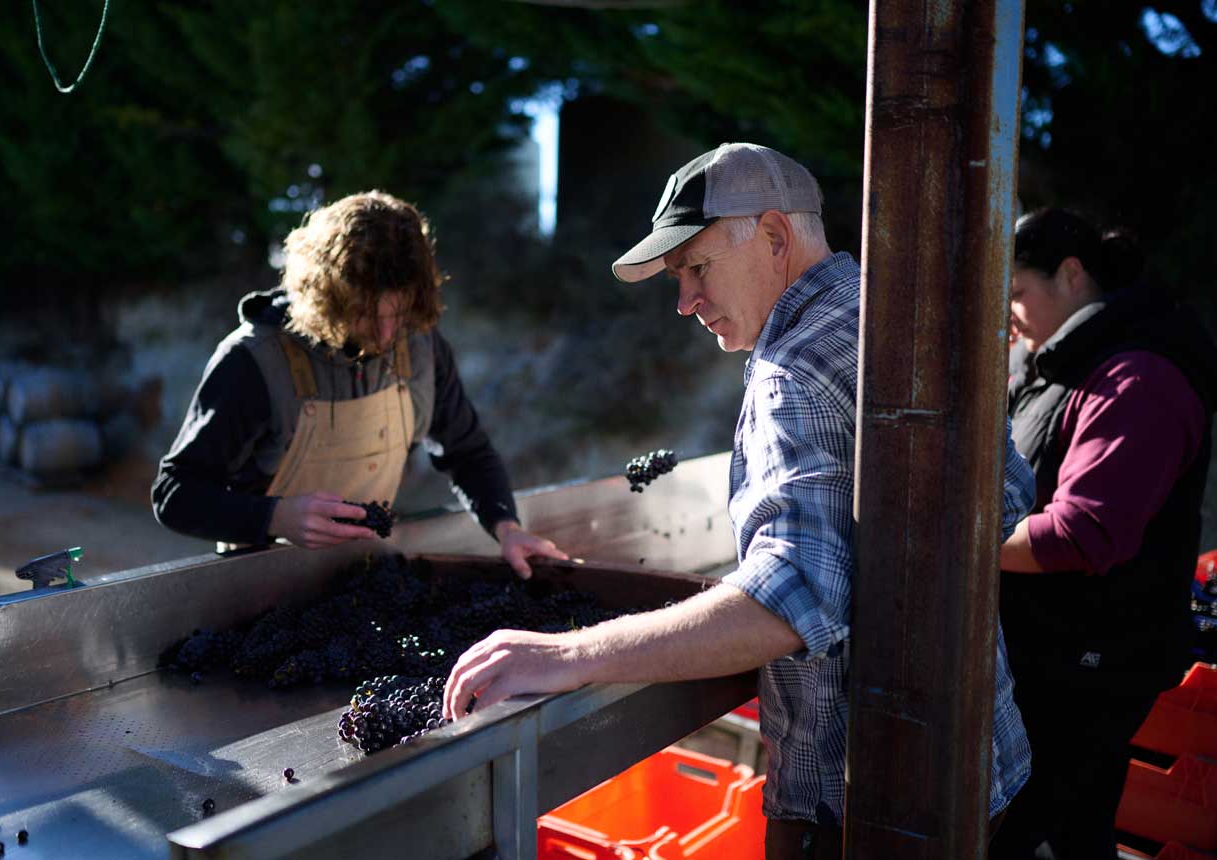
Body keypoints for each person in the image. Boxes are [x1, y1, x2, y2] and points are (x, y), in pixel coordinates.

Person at [440, 143, 1036, 858]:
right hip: (978, 760)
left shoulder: (795, 371)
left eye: (697, 268)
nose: (685, 301)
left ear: (777, 237)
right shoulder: (906, 317)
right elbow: (1008, 499)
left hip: (860, 803)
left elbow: (789, 599)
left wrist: (568, 655)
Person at [151, 190, 566, 577]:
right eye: (366, 315)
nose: (386, 336)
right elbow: (174, 494)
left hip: (363, 577)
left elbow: (468, 453)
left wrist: (507, 528)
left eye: (399, 315)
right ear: (327, 297)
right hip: (256, 590)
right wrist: (273, 518)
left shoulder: (421, 349)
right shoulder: (252, 360)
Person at [991, 208, 1217, 859]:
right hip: (1061, 651)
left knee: (1014, 830)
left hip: (1092, 661)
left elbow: (1081, 532)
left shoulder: (1137, 378)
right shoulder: (1053, 358)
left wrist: (955, 544)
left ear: (1071, 274)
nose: (1007, 312)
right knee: (1075, 832)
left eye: (1017, 292)